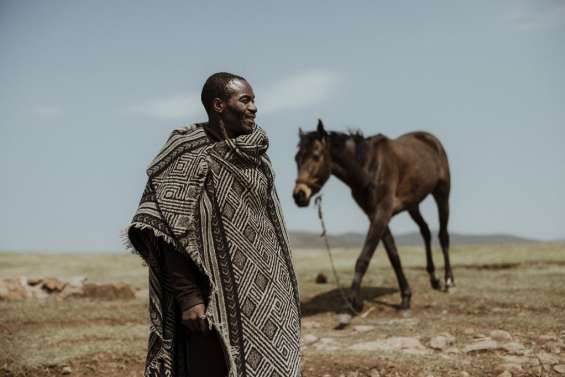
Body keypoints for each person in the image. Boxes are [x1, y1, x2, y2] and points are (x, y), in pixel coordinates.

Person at [125, 72, 302, 377]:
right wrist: (189, 297)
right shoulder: (187, 153)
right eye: (245, 100)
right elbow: (167, 231)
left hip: (268, 298)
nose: (254, 107)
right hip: (210, 304)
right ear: (219, 105)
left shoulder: (256, 154)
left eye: (254, 100)